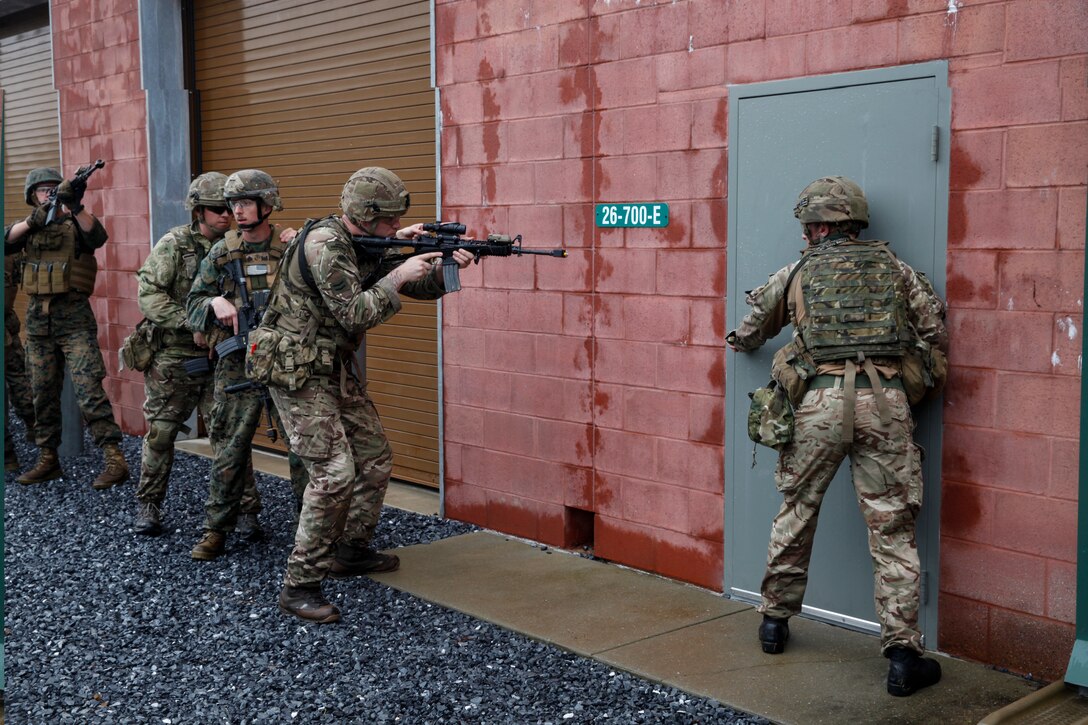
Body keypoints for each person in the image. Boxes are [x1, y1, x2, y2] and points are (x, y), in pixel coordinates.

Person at [726, 176, 948, 697]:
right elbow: (935, 331)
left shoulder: (799, 271)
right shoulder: (896, 269)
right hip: (887, 403)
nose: (805, 236)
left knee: (797, 509)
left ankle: (775, 623)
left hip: (819, 404)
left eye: (809, 227)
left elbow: (751, 329)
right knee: (892, 530)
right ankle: (901, 657)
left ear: (824, 225)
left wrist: (743, 340)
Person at [256, 167, 473, 623]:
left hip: (330, 366)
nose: (397, 228)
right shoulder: (326, 245)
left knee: (374, 457)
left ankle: (350, 551)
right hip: (296, 371)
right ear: (366, 215)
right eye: (391, 221)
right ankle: (300, 585)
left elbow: (420, 287)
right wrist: (398, 274)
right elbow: (355, 311)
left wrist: (443, 263)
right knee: (334, 474)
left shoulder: (364, 242)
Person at [131, 172, 263, 536]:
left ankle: (246, 510)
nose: (225, 215)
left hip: (224, 355)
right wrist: (193, 323)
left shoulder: (240, 244)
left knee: (231, 435)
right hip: (175, 355)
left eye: (229, 208)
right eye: (216, 209)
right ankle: (149, 503)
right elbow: (150, 294)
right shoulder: (175, 244)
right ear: (198, 211)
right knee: (161, 431)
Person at [184, 169, 306, 560]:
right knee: (229, 447)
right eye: (232, 203)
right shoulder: (221, 251)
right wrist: (212, 303)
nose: (236, 210)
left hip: (286, 360)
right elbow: (192, 304)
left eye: (244, 203)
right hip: (239, 360)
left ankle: (311, 533)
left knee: (303, 447)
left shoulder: (292, 247)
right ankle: (216, 528)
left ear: (267, 206)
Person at [3, 167, 129, 489]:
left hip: (74, 321)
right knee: (42, 394)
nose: (49, 194)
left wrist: (75, 206)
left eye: (52, 188)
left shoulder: (76, 223)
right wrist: (34, 220)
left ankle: (114, 459)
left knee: (89, 390)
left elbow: (98, 237)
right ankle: (48, 460)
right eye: (43, 190)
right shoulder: (27, 228)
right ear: (32, 195)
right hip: (37, 322)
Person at [4, 250, 37, 471]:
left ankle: (7, 458)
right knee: (20, 381)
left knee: (20, 381)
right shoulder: (9, 249)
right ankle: (37, 432)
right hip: (8, 330)